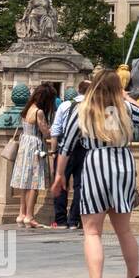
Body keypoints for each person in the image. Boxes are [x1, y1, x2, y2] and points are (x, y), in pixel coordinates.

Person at [50, 69, 139, 278]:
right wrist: (127, 97)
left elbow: (66, 146)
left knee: (92, 231)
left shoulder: (82, 109)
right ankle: (133, 277)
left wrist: (59, 175)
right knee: (124, 229)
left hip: (96, 163)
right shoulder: (124, 108)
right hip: (124, 164)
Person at [10, 84, 57, 228]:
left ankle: (21, 214)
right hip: (35, 146)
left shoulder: (27, 109)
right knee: (34, 183)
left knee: (25, 181)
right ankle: (30, 216)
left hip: (25, 145)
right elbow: (45, 132)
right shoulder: (39, 112)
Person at [49, 80, 90, 229]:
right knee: (81, 185)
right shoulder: (94, 107)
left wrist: (54, 152)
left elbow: (56, 130)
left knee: (61, 183)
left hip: (65, 148)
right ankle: (74, 220)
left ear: (79, 90)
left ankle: (60, 220)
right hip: (85, 149)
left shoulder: (65, 105)